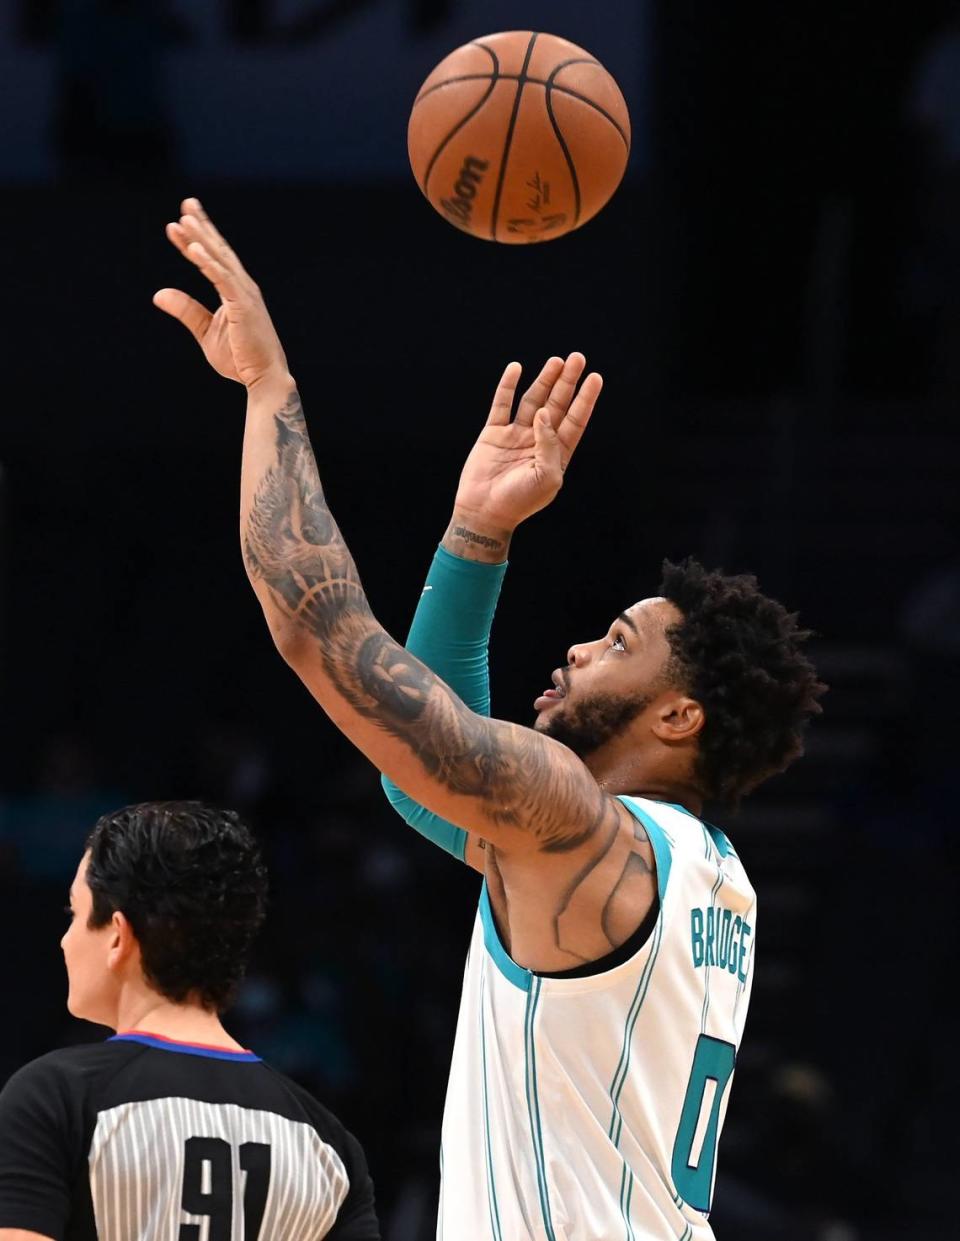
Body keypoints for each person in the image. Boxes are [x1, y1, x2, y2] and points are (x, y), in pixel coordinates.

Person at [155, 199, 826, 1240]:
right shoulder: (706, 874)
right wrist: (475, 532)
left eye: (615, 641)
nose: (574, 648)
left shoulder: (581, 827)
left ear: (681, 710)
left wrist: (267, 387)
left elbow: (316, 621)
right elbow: (417, 781)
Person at [0, 800, 379, 1241]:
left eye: (75, 914)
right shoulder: (328, 1145)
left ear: (118, 936)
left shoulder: (53, 1100)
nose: (65, 940)